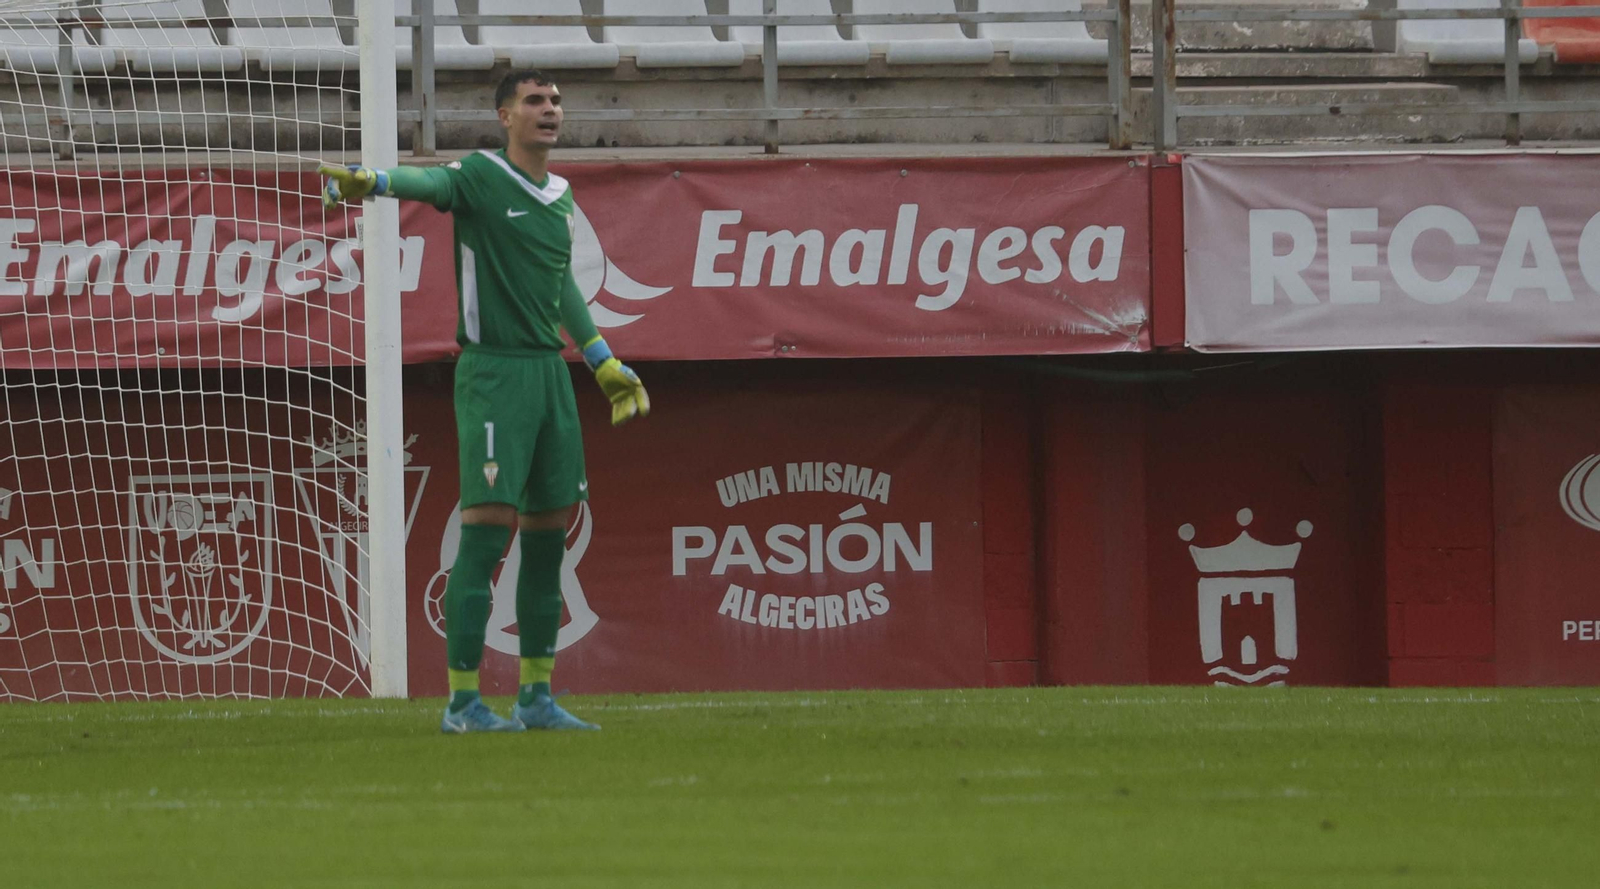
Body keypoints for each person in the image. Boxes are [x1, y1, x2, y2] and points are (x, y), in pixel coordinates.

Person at [320, 69, 648, 734]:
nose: (550, 109)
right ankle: (463, 702)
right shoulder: (481, 175)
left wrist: (601, 359)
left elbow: (560, 285)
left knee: (550, 533)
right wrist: (373, 180)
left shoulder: (559, 195)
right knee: (487, 528)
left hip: (550, 375)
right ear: (505, 115)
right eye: (535, 100)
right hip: (493, 372)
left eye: (556, 100)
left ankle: (535, 695)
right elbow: (429, 185)